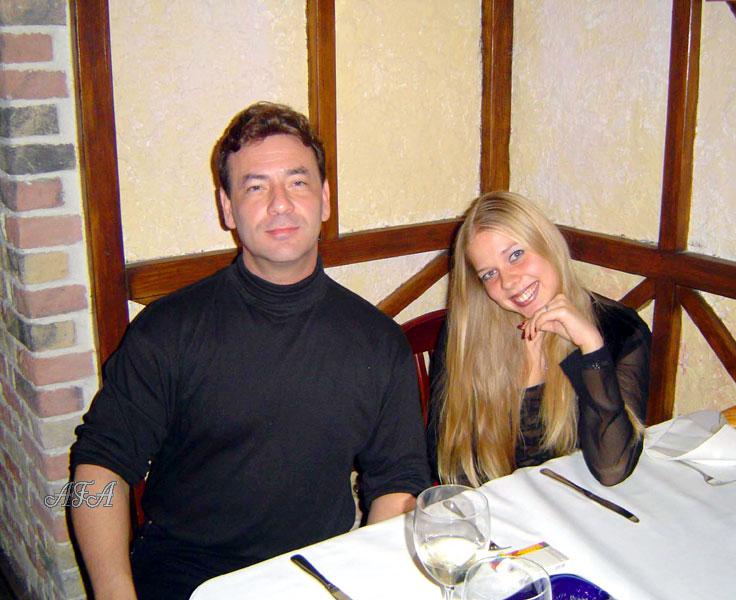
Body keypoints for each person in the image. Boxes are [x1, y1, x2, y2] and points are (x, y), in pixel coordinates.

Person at [70, 102, 431, 600]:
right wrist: (113, 592)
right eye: (256, 187)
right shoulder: (168, 330)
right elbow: (96, 466)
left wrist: (364, 578)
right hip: (187, 579)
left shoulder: (378, 341)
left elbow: (398, 481)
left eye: (298, 182)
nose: (280, 203)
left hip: (317, 574)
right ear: (227, 208)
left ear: (325, 199)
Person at [427, 191, 651, 488]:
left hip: (581, 504)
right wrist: (528, 379)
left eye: (516, 255)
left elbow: (612, 469)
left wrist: (592, 350)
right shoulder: (469, 335)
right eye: (489, 274)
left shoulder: (620, 329)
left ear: (547, 243)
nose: (508, 281)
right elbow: (451, 466)